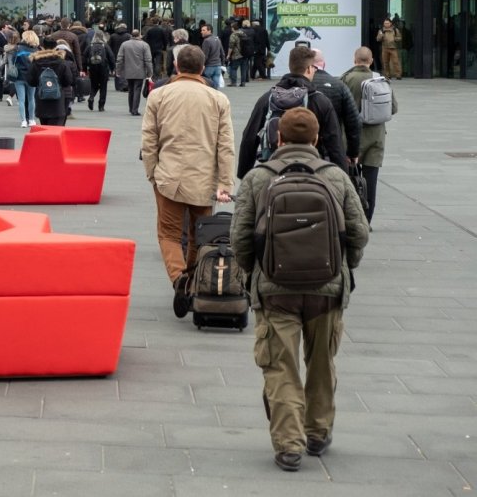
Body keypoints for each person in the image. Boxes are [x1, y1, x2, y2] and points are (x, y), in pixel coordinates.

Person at [232, 107, 369, 472]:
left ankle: (288, 445)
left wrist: (254, 274)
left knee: (281, 366)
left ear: (277, 138)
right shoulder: (335, 177)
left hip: (275, 290)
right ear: (316, 138)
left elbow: (240, 237)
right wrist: (344, 267)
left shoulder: (258, 178)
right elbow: (359, 232)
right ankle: (318, 433)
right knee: (322, 363)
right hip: (327, 290)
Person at [141, 46, 236, 315]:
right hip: (204, 180)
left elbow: (149, 140)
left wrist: (152, 172)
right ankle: (193, 279)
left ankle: (177, 276)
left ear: (176, 66)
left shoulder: (158, 95)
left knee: (169, 234)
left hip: (168, 177)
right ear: (203, 68)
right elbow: (225, 145)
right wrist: (225, 184)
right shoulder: (218, 99)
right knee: (200, 235)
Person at [237, 47, 348, 177]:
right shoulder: (320, 101)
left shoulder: (268, 98)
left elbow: (249, 137)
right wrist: (342, 177)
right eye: (314, 68)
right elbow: (334, 143)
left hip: (274, 171)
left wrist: (244, 174)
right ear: (308, 69)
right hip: (312, 173)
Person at [341, 47, 397, 223]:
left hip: (351, 137)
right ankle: (367, 220)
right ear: (371, 61)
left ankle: (351, 218)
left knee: (349, 180)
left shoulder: (346, 79)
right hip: (376, 137)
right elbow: (393, 108)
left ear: (354, 59)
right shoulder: (380, 80)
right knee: (370, 181)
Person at [309, 49, 360, 167]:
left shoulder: (295, 85)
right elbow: (354, 122)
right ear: (324, 64)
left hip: (302, 150)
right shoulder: (339, 85)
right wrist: (352, 153)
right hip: (332, 149)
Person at [27, 37, 75, 126]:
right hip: (57, 99)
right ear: (55, 47)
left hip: (42, 99)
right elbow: (68, 80)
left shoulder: (36, 62)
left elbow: (31, 81)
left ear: (42, 47)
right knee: (56, 129)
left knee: (45, 129)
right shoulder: (61, 62)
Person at [115, 25, 154, 116]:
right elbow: (148, 60)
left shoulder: (124, 44)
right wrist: (150, 72)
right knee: (137, 89)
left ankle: (130, 108)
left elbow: (120, 58)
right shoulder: (145, 45)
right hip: (140, 71)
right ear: (139, 35)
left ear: (131, 35)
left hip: (128, 70)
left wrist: (118, 70)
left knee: (131, 89)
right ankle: (135, 109)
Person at [10, 30, 39, 127]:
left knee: (21, 100)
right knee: (31, 99)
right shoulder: (37, 50)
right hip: (32, 77)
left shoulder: (18, 48)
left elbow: (13, 61)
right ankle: (31, 119)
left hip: (19, 76)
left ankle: (23, 121)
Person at [199, 24, 225, 88]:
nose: (201, 32)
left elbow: (205, 55)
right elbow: (222, 53)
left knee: (207, 85)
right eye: (201, 30)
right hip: (217, 65)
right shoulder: (217, 39)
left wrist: (202, 65)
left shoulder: (206, 41)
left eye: (203, 30)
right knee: (215, 85)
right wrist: (222, 63)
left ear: (209, 31)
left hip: (209, 66)